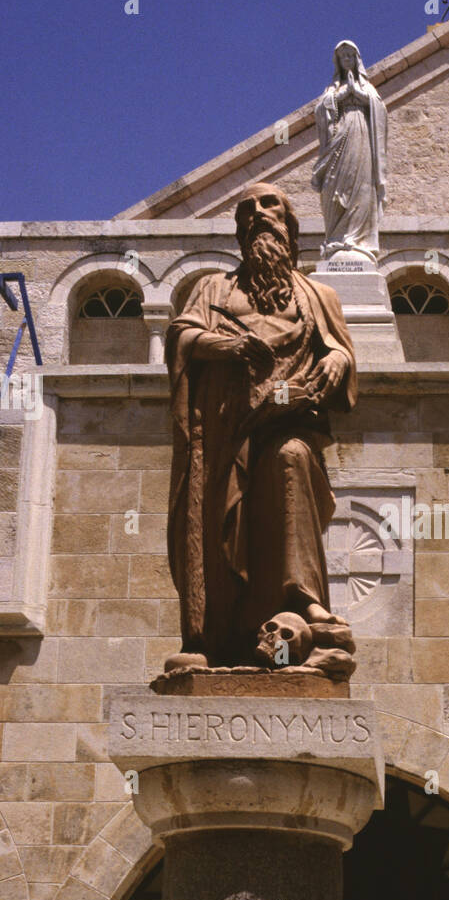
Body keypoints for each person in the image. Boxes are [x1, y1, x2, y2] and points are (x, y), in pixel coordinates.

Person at [164, 183, 357, 669]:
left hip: (290, 420)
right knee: (217, 525)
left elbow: (340, 352)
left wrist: (338, 359)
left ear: (289, 225)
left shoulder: (318, 295)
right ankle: (213, 637)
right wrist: (227, 347)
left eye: (268, 205)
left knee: (291, 458)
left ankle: (302, 604)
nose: (256, 214)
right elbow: (182, 337)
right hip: (227, 432)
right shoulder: (213, 288)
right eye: (246, 208)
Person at [312, 40, 387, 260]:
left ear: (356, 59)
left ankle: (357, 238)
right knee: (336, 183)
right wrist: (341, 96)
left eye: (350, 55)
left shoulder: (367, 88)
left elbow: (380, 109)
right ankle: (336, 236)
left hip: (361, 135)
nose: (346, 59)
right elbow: (320, 111)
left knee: (362, 183)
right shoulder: (332, 89)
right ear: (337, 61)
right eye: (343, 56)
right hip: (339, 137)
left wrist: (360, 95)